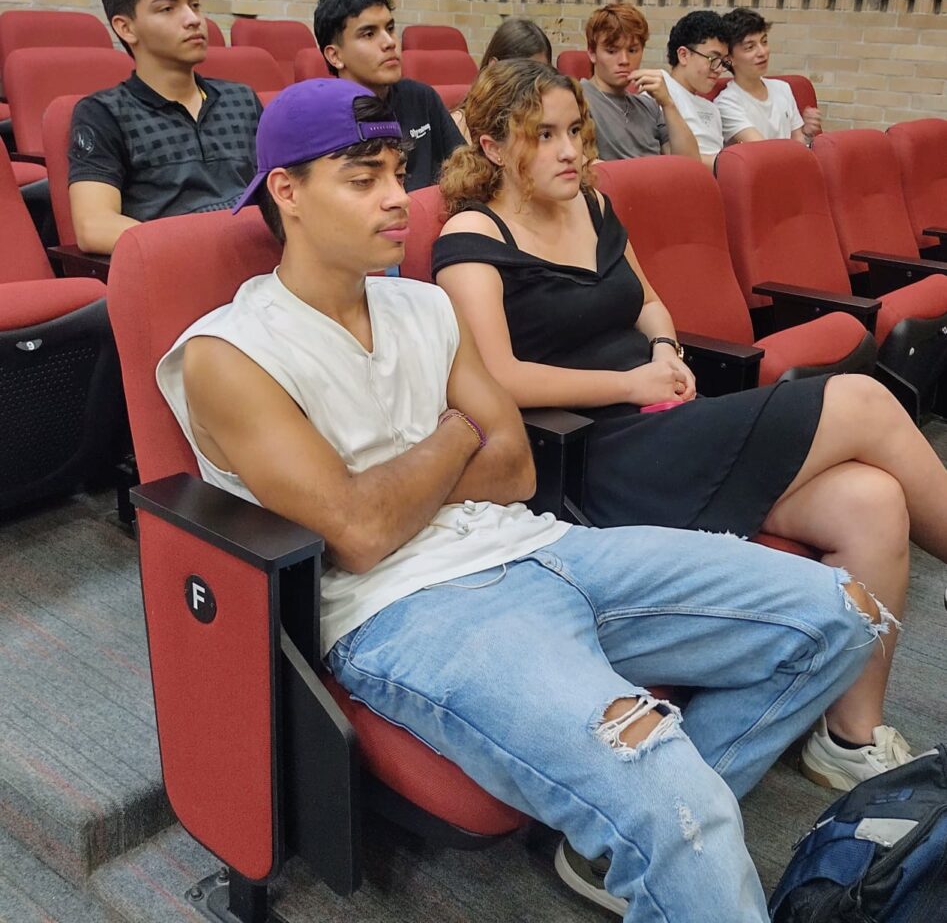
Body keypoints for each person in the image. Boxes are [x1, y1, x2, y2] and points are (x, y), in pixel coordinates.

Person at [155, 77, 879, 922]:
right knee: (678, 804)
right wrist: (460, 431)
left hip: (533, 543)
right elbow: (358, 532)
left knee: (842, 613)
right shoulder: (228, 353)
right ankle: (662, 823)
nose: (400, 199)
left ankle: (623, 836)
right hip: (408, 612)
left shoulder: (422, 305)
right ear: (287, 192)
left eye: (398, 170)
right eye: (364, 179)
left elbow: (516, 472)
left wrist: (413, 469)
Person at [434, 59, 947, 806]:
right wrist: (628, 384)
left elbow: (647, 304)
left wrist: (667, 353)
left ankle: (848, 740)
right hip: (586, 458)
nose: (568, 150)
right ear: (488, 145)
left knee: (870, 500)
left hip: (659, 423)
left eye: (572, 130)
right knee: (861, 398)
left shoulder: (593, 206)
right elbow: (498, 377)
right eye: (540, 136)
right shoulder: (469, 234)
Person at [68, 0, 261, 254]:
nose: (193, 19)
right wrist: (200, 248)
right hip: (178, 269)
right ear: (125, 27)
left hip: (262, 265)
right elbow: (94, 226)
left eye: (194, 4)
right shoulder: (104, 113)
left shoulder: (242, 100)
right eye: (167, 9)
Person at [313, 0, 464, 191]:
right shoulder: (321, 118)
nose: (389, 42)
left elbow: (465, 170)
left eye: (390, 29)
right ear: (335, 56)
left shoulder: (421, 97)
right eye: (368, 34)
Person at [580, 4, 699, 162]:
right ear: (592, 53)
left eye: (632, 50)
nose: (624, 61)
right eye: (612, 51)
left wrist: (668, 103)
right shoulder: (577, 99)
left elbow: (690, 165)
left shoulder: (649, 106)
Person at [716, 7, 823, 146]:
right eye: (750, 47)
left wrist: (807, 133)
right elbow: (765, 151)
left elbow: (799, 142)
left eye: (764, 42)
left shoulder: (782, 88)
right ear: (729, 58)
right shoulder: (727, 103)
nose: (762, 52)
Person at [452, 18, 551, 142]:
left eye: (541, 77)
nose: (534, 87)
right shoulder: (458, 126)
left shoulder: (549, 125)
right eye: (524, 76)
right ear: (494, 67)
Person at [660, 10, 730, 169]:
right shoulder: (660, 92)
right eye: (713, 59)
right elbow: (669, 156)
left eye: (724, 62)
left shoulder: (712, 108)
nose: (719, 69)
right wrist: (726, 165)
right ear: (683, 55)